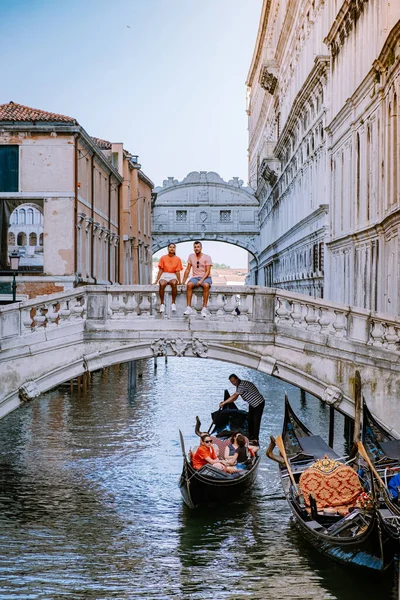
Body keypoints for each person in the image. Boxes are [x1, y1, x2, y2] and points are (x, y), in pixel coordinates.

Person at [219, 374, 265, 445]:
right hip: (252, 404)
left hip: (258, 403)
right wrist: (225, 402)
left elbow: (235, 396)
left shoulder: (242, 385)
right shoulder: (239, 385)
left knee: (256, 421)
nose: (233, 383)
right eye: (232, 382)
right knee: (249, 419)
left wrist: (224, 403)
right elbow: (235, 398)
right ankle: (251, 436)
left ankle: (255, 439)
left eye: (234, 381)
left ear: (237, 379)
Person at [182, 241, 212, 317]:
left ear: (201, 248)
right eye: (195, 247)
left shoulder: (207, 257)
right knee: (189, 285)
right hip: (195, 277)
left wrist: (201, 281)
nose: (196, 248)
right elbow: (188, 269)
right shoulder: (191, 256)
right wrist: (183, 282)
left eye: (198, 247)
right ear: (193, 248)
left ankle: (204, 308)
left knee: (206, 285)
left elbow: (208, 271)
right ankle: (188, 307)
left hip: (206, 277)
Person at [154, 243, 183, 313]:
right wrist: (156, 281)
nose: (172, 248)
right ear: (168, 248)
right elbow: (160, 270)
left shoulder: (178, 259)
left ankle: (173, 303)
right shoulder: (163, 258)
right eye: (170, 247)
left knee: (174, 283)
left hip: (173, 275)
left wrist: (180, 281)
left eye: (173, 247)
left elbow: (177, 272)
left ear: (175, 249)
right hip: (164, 274)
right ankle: (162, 303)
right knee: (162, 284)